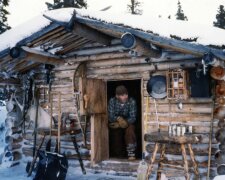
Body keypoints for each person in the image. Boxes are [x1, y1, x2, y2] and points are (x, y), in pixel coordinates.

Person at [108, 85, 137, 160]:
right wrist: (118, 119)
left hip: (128, 122)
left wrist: (125, 122)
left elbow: (133, 117)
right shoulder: (112, 101)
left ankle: (131, 153)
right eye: (122, 95)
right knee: (115, 135)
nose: (125, 96)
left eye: (126, 94)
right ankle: (119, 155)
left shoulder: (132, 101)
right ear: (117, 96)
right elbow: (110, 116)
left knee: (130, 132)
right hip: (116, 123)